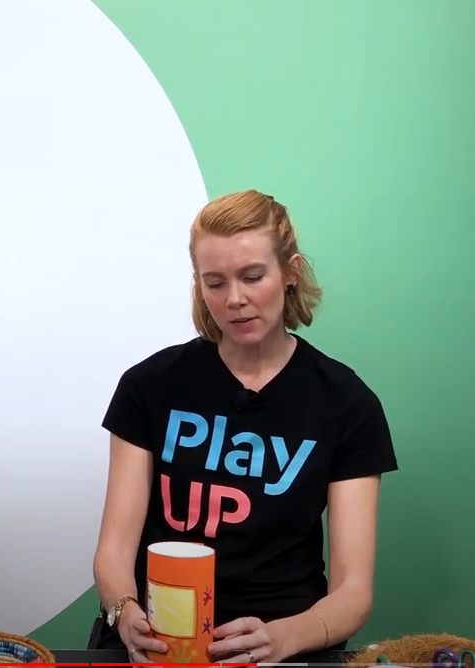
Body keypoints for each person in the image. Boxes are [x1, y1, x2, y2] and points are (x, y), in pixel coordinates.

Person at [90, 190, 397, 664]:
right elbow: (113, 552)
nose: (235, 299)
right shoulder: (149, 385)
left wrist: (286, 637)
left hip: (286, 643)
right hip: (159, 642)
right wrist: (123, 611)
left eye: (253, 277)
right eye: (214, 283)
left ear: (290, 272)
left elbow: (353, 594)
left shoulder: (346, 403)